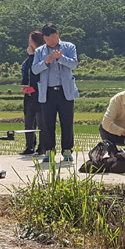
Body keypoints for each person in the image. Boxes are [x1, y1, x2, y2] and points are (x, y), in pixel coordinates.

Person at [31, 24, 79, 162]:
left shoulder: (69, 47)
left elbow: (74, 64)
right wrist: (45, 62)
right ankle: (49, 151)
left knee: (67, 122)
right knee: (47, 123)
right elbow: (34, 69)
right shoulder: (40, 51)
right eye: (47, 39)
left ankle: (67, 150)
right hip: (48, 91)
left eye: (52, 38)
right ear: (44, 38)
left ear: (58, 34)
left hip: (65, 91)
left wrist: (61, 58)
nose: (51, 42)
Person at [19, 31, 44, 155]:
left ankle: (42, 146)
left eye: (31, 40)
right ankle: (29, 146)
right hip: (29, 95)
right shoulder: (28, 59)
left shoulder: (41, 56)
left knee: (41, 122)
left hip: (40, 94)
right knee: (28, 122)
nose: (29, 43)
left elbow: (37, 73)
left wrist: (31, 56)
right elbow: (25, 74)